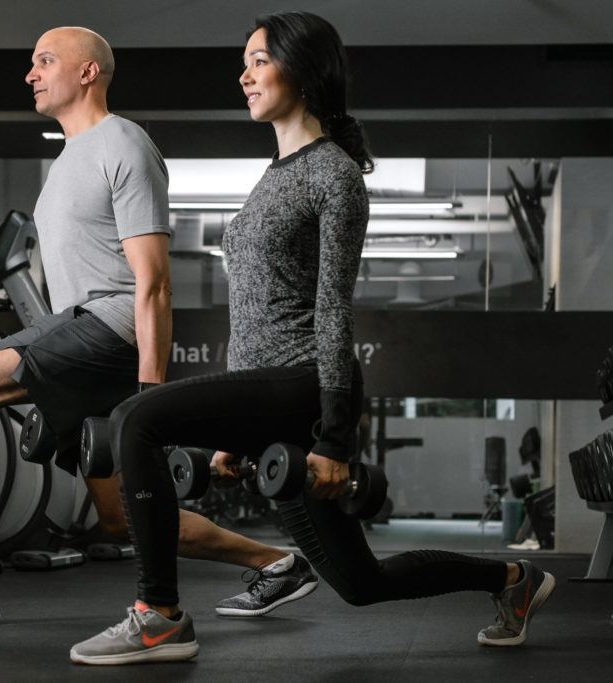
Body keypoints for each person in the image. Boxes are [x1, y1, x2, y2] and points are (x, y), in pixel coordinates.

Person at [70, 11, 555, 665]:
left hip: (304, 384)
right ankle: (513, 580)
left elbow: (332, 310)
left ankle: (158, 614)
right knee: (360, 582)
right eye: (244, 61)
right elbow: (250, 315)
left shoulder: (334, 175)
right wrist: (230, 438)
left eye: (259, 60)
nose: (244, 74)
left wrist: (332, 437)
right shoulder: (275, 174)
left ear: (304, 69)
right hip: (267, 394)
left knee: (136, 417)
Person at [0, 25, 317, 627]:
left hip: (110, 326)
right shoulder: (67, 160)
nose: (31, 73)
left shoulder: (123, 145)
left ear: (88, 72)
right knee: (121, 516)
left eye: (45, 61)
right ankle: (278, 565)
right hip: (83, 329)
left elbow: (154, 282)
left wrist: (151, 397)